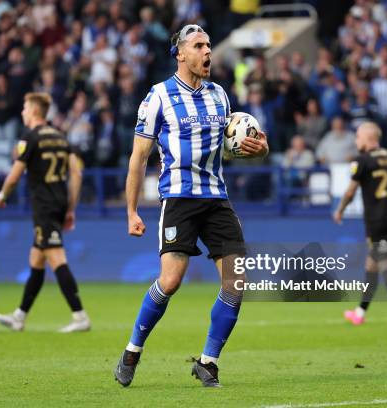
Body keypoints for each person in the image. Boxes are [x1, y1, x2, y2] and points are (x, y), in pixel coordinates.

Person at [113, 24, 268, 388]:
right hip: (179, 200)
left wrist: (260, 149)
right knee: (170, 280)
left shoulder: (220, 97)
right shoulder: (158, 97)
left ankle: (208, 362)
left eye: (209, 45)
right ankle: (132, 350)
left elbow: (238, 145)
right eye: (199, 46)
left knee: (237, 282)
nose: (207, 52)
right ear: (180, 54)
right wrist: (131, 211)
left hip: (216, 200)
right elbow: (138, 157)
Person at [0, 92, 90, 333]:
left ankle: (80, 316)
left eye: (25, 108)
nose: (23, 112)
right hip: (58, 204)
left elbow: (15, 174)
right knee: (36, 260)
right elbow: (76, 174)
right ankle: (20, 316)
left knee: (56, 258)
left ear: (35, 111)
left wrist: (2, 195)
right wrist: (71, 208)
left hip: (44, 207)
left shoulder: (30, 137)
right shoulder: (61, 137)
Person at [333, 122, 387, 327]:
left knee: (385, 264)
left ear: (366, 137)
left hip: (376, 221)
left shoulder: (363, 160)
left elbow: (350, 191)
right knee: (371, 266)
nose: (356, 140)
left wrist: (340, 210)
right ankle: (360, 313)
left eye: (357, 137)